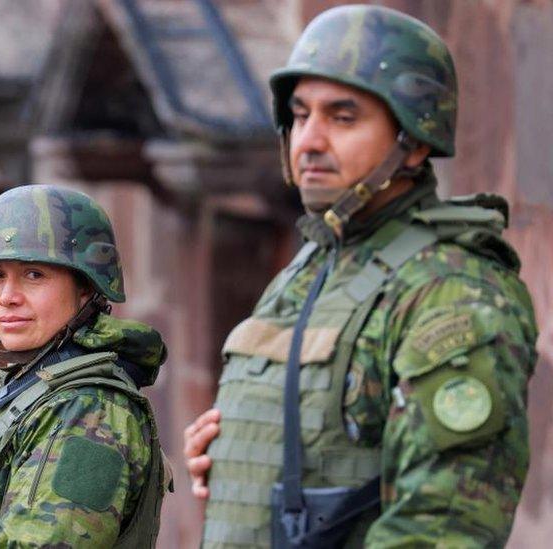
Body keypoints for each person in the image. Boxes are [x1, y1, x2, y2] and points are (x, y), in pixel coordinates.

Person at [184, 5, 537, 548]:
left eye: (342, 117)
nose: (310, 141)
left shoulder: (452, 289)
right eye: (300, 116)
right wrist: (236, 468)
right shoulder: (313, 266)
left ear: (414, 140)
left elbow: (442, 527)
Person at [0, 184, 170, 548]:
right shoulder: (22, 394)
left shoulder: (87, 410)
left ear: (85, 288)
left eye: (34, 274)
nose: (8, 297)